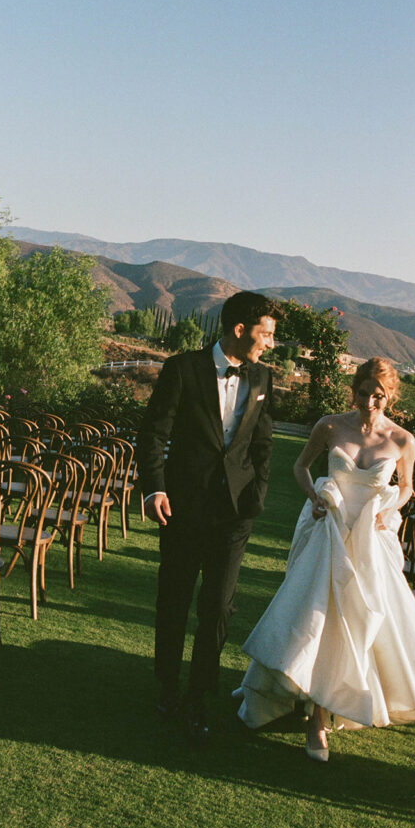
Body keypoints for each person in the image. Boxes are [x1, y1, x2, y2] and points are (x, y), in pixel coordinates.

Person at [235, 357, 415, 761]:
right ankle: (311, 715)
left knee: (357, 620)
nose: (369, 401)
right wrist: (315, 497)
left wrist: (391, 509)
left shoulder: (402, 439)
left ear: (390, 397)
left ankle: (329, 704)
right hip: (328, 531)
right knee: (314, 616)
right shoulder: (330, 425)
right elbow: (301, 467)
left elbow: (407, 488)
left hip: (370, 540)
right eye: (364, 392)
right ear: (354, 390)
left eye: (378, 395)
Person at [136, 291, 282, 741]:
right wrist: (155, 488)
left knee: (217, 606)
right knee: (174, 599)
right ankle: (167, 686)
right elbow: (153, 432)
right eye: (266, 333)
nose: (271, 344)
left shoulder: (263, 379)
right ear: (240, 329)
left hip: (234, 515)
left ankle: (199, 697)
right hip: (181, 507)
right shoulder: (183, 369)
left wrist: (255, 495)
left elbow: (262, 443)